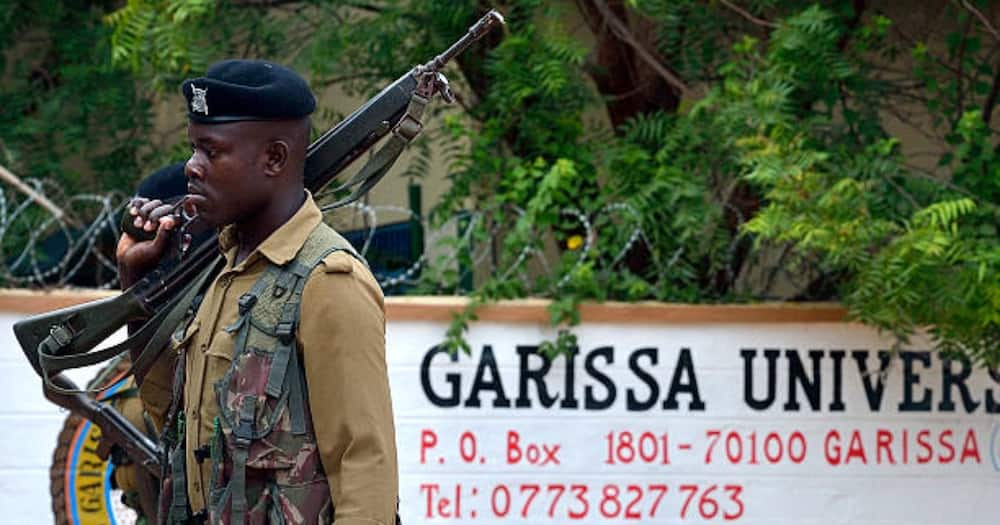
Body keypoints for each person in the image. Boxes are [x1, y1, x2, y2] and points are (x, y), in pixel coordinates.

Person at [117, 59, 399, 524]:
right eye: (193, 149)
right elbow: (172, 417)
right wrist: (139, 293)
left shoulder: (327, 281)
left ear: (273, 159)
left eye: (212, 151)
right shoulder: (223, 268)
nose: (191, 167)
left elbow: (364, 467)